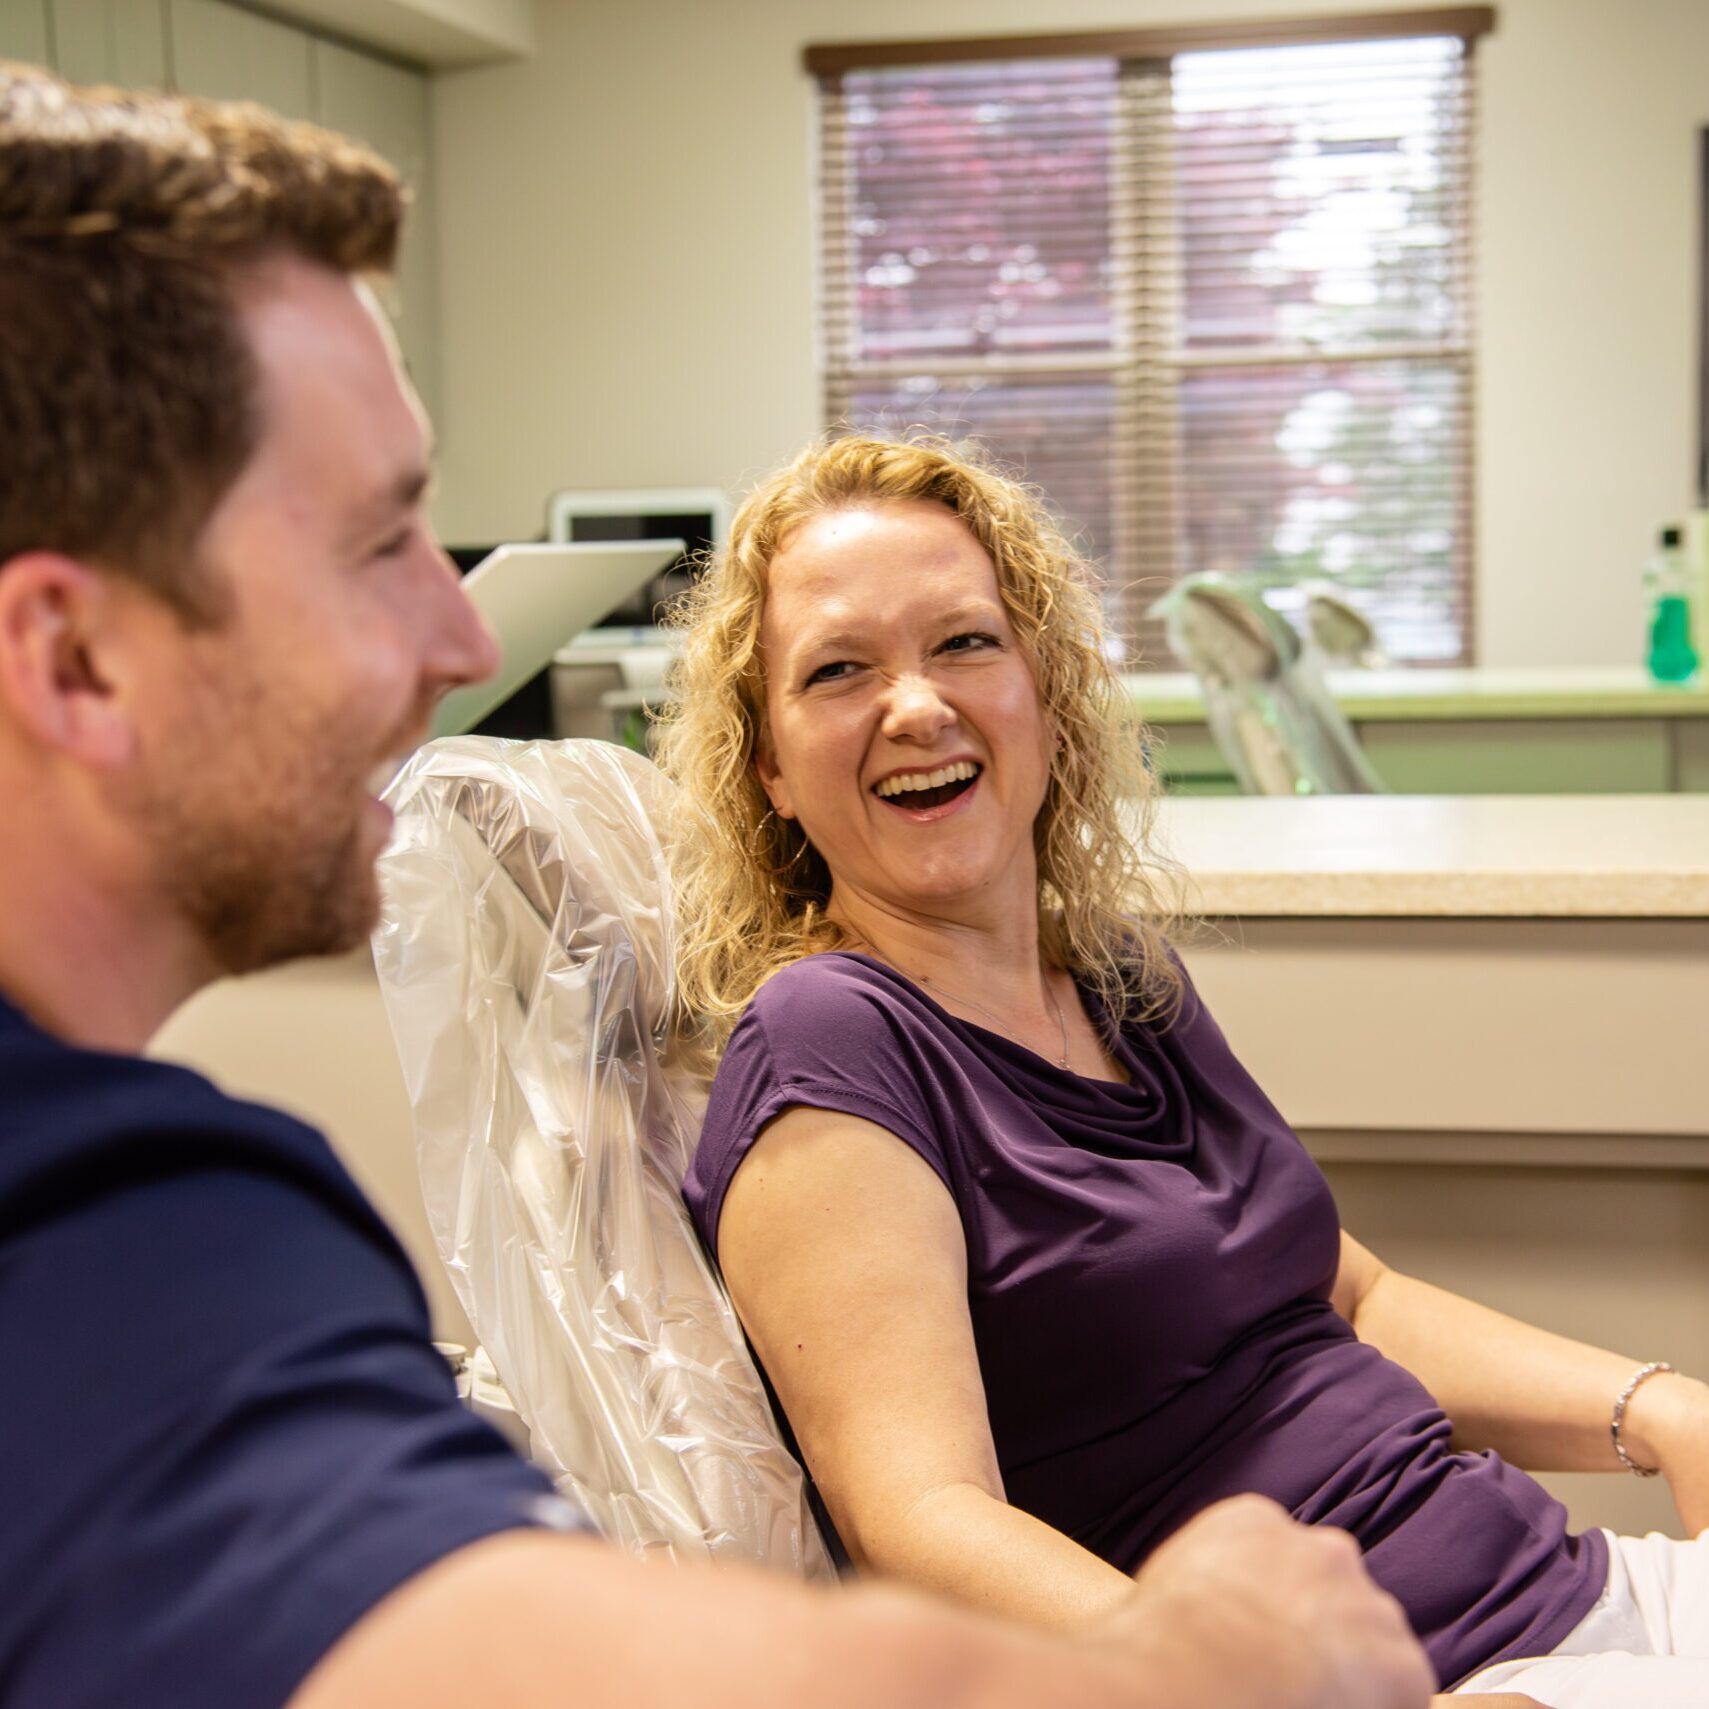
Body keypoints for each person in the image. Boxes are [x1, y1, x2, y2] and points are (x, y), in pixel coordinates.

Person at [0, 61, 1435, 1709]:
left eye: (970, 642)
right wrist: (1217, 1654)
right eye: (380, 545)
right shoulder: (120, 1231)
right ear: (74, 658)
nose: (465, 639)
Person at [662, 431, 1709, 1708]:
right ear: (766, 763)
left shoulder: (1113, 980)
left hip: (1567, 1594)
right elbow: (918, 1518)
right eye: (838, 669)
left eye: (964, 642)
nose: (918, 704)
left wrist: (1661, 1410)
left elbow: (1352, 1297)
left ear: (1041, 688)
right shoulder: (835, 1036)